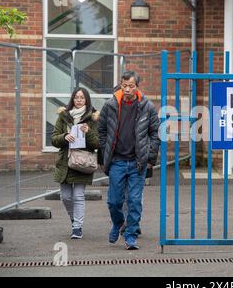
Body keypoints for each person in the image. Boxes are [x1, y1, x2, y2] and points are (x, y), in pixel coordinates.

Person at [98, 70, 160, 250]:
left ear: (136, 86)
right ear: (121, 85)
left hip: (137, 162)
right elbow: (101, 130)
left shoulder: (147, 106)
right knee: (114, 201)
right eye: (124, 86)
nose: (127, 89)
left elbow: (155, 134)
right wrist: (105, 149)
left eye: (130, 86)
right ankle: (118, 223)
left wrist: (150, 157)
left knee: (134, 201)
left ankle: (131, 234)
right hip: (116, 160)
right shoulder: (110, 105)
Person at [51, 88, 99, 239]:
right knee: (65, 196)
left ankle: (77, 227)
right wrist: (65, 137)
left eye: (82, 98)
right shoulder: (63, 116)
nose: (79, 100)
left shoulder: (93, 118)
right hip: (65, 162)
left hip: (82, 162)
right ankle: (74, 220)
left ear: (86, 100)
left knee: (78, 195)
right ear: (72, 99)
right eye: (76, 97)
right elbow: (54, 139)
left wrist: (88, 132)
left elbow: (97, 143)